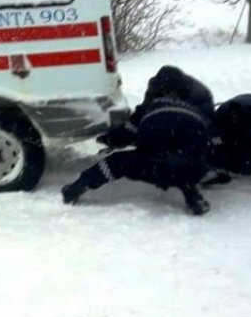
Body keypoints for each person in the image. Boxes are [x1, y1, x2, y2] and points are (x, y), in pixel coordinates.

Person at [61, 68, 214, 215]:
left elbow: (125, 134)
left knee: (117, 163)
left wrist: (108, 139)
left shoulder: (148, 109)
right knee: (181, 161)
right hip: (193, 167)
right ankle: (193, 196)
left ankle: (75, 189)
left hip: (157, 165)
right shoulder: (197, 110)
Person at [97, 65, 216, 149]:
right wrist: (116, 139)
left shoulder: (200, 97)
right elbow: (140, 118)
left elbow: (207, 127)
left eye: (171, 94)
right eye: (164, 93)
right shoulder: (155, 90)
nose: (168, 98)